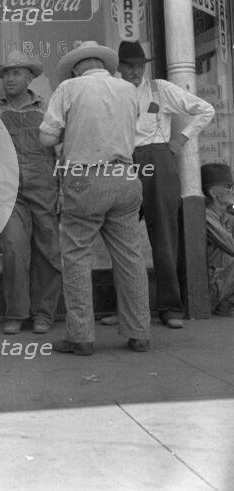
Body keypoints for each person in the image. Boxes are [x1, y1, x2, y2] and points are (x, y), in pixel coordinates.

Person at [39, 40, 151, 355]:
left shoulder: (69, 88)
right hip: (125, 178)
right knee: (130, 256)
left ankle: (81, 336)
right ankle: (140, 332)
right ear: (102, 63)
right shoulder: (128, 89)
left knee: (75, 256)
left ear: (76, 66)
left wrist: (66, 134)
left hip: (84, 178)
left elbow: (46, 136)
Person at [101, 40, 214, 329]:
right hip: (123, 162)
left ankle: (170, 307)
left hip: (157, 158)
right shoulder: (110, 92)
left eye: (139, 66)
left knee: (164, 236)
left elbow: (205, 110)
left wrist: (180, 140)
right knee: (120, 236)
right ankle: (125, 309)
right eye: (129, 66)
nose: (135, 71)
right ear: (119, 67)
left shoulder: (160, 89)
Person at [0, 51, 62, 335]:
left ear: (30, 77)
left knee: (48, 249)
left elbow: (58, 151)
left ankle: (44, 314)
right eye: (6, 73)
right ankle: (16, 313)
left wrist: (63, 189)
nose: (10, 78)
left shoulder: (46, 109)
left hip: (43, 185)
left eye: (16, 73)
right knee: (13, 249)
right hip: (9, 190)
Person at [200, 163, 234, 317]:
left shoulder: (226, 217)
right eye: (229, 188)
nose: (232, 192)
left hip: (222, 282)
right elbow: (231, 246)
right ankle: (222, 303)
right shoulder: (206, 216)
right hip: (210, 288)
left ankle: (225, 305)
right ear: (215, 193)